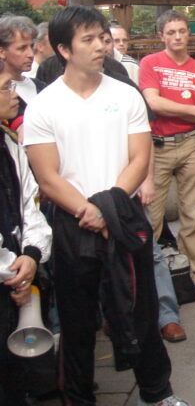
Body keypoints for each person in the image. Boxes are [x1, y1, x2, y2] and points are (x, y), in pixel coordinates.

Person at [23, 6, 187, 406]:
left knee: (140, 310)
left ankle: (157, 393)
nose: (101, 46)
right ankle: (78, 398)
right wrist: (89, 211)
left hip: (123, 217)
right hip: (72, 221)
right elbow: (48, 177)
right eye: (89, 39)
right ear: (63, 48)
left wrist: (108, 209)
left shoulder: (125, 94)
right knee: (78, 322)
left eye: (103, 37)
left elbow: (138, 158)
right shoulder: (44, 106)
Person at [139, 10, 195, 294]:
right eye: (171, 32)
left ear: (188, 34)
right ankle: (150, 278)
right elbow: (154, 103)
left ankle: (194, 271)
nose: (177, 37)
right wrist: (192, 109)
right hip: (158, 146)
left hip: (192, 143)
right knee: (152, 215)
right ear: (161, 36)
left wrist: (194, 112)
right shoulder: (151, 64)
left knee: (192, 211)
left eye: (182, 31)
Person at [0, 61, 53, 406]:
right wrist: (10, 271)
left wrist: (31, 257)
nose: (14, 94)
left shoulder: (11, 141)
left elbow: (29, 203)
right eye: (6, 88)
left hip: (18, 268)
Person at [0, 15, 45, 127]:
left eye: (31, 46)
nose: (30, 54)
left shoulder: (42, 87)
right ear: (2, 52)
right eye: (22, 48)